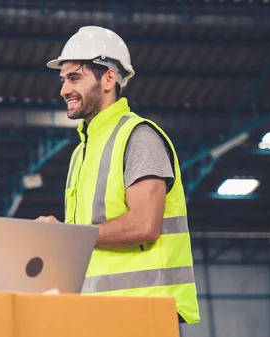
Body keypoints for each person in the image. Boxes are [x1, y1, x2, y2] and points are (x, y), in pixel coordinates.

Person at [36, 26, 200, 324]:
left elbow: (145, 224)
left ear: (109, 78)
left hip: (142, 311)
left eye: (75, 77)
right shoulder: (82, 152)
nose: (63, 90)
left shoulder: (138, 136)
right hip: (97, 313)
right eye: (62, 80)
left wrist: (68, 236)